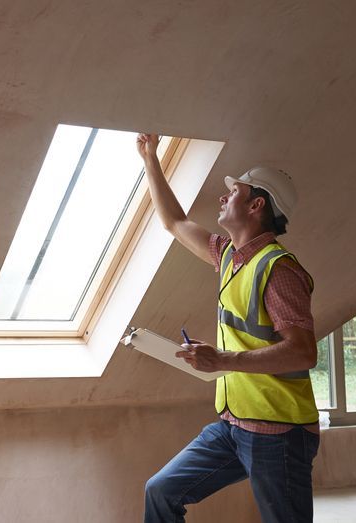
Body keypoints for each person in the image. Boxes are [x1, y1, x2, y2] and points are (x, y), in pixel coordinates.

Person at [136, 133, 320, 523]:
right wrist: (150, 158)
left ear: (256, 205)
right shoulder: (229, 256)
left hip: (280, 432)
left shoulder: (279, 268)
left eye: (232, 191)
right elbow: (174, 221)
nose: (222, 197)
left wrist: (222, 359)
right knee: (161, 491)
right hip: (233, 425)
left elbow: (304, 351)